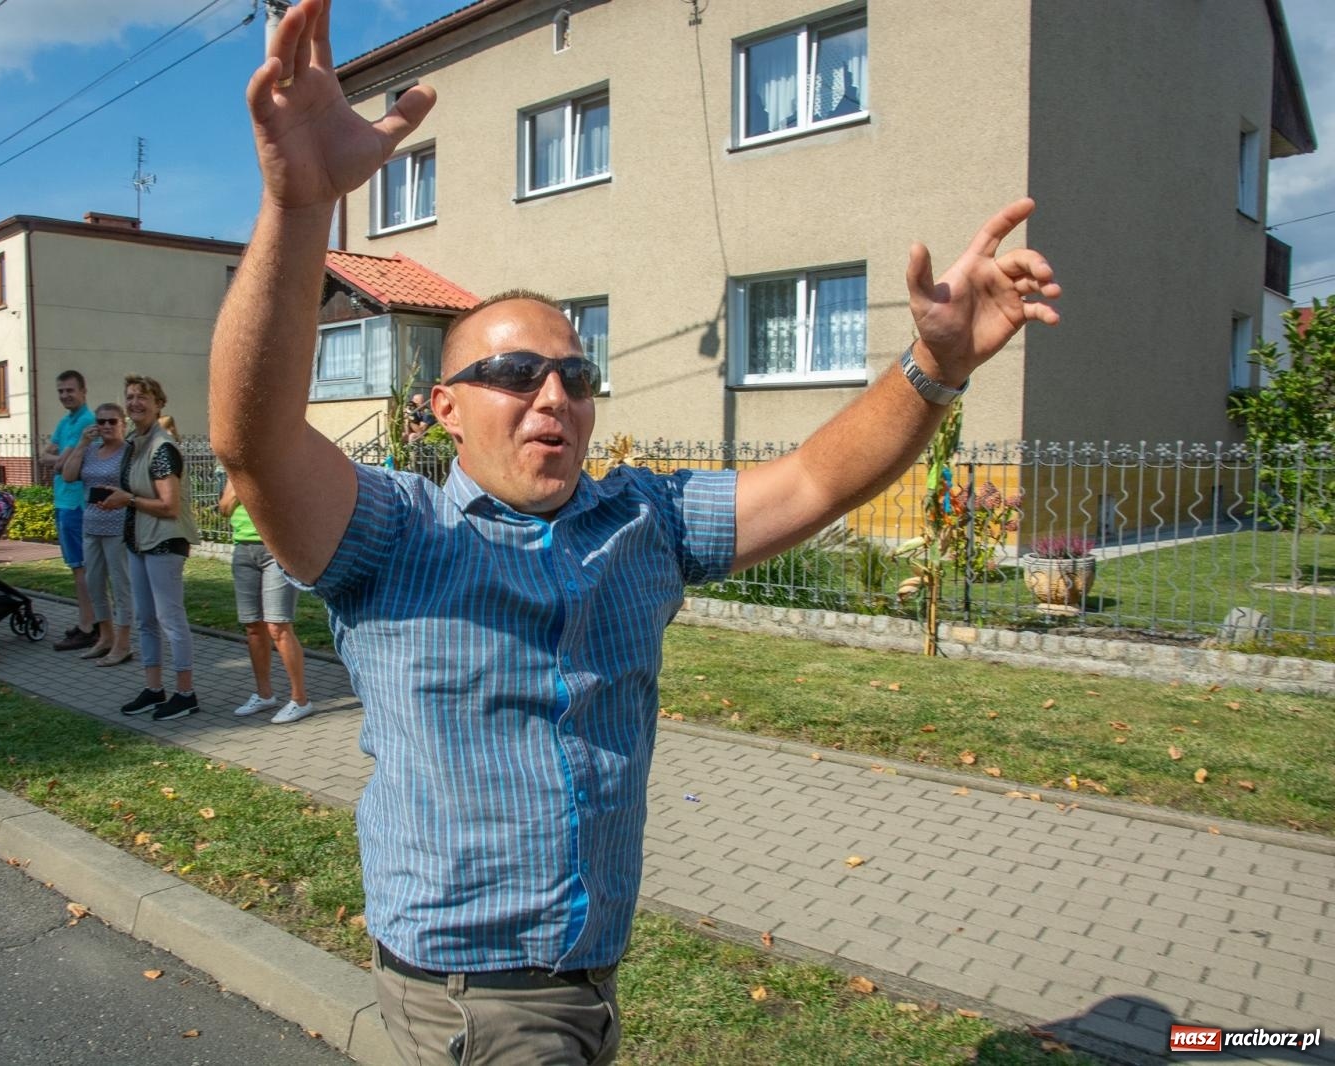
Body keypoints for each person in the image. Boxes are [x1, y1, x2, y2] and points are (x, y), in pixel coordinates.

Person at [209, 3, 1062, 1062]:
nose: (551, 395)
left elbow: (812, 478)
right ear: (443, 409)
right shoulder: (393, 531)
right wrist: (295, 207)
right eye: (514, 375)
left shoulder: (640, 520)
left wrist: (933, 367)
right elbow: (253, 441)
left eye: (574, 374)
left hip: (584, 971)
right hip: (478, 994)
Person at [98, 378, 200, 721]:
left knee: (170, 618)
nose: (135, 402)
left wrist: (128, 499)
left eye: (143, 397)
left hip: (164, 541)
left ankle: (185, 694)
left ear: (159, 404)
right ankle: (154, 688)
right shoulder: (135, 443)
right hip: (138, 540)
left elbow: (170, 506)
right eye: (129, 397)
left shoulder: (162, 447)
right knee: (145, 619)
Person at [218, 475, 311, 721]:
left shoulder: (274, 464)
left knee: (278, 625)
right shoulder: (233, 473)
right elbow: (224, 509)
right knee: (253, 627)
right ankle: (264, 694)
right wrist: (238, 489)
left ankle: (300, 699)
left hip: (276, 550)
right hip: (244, 550)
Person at [61, 402, 134, 666]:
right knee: (94, 584)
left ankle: (123, 644)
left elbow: (136, 487)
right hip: (91, 526)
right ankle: (105, 637)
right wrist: (81, 443)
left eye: (112, 421)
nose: (105, 426)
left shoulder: (128, 452)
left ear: (123, 424)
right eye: (101, 421)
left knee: (121, 585)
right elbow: (68, 475)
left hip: (118, 527)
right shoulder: (92, 450)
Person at [40, 371, 99, 651]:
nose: (65, 395)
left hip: (76, 503)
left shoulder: (87, 421)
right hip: (63, 502)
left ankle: (90, 627)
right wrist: (59, 458)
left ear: (83, 391)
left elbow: (64, 464)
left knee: (81, 568)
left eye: (70, 390)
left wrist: (59, 459)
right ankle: (88, 621)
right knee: (77, 567)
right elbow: (45, 456)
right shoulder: (66, 422)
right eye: (61, 391)